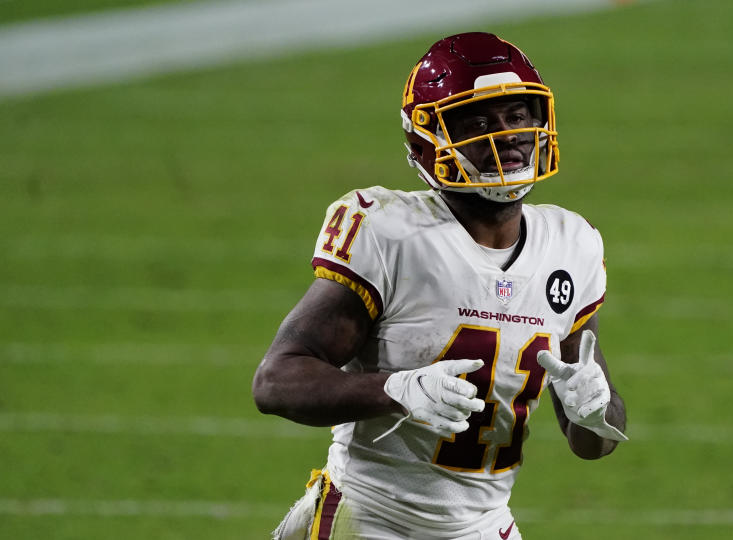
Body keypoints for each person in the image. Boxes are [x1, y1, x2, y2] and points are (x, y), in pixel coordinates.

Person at [252, 31, 628, 540]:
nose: (508, 136)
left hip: (485, 526)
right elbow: (275, 382)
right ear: (426, 139)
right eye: (478, 122)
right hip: (371, 516)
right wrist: (395, 388)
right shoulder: (391, 234)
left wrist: (597, 411)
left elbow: (591, 441)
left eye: (517, 116)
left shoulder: (570, 245)